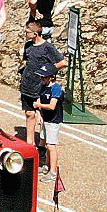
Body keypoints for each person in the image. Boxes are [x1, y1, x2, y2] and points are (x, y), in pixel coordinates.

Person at [18, 16, 63, 158]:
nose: (26, 34)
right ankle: (29, 144)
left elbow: (63, 62)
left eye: (27, 32)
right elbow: (26, 61)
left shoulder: (47, 48)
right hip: (27, 84)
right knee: (29, 113)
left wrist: (48, 72)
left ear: (35, 33)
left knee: (42, 117)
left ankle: (42, 145)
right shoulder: (28, 46)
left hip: (40, 86)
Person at [34, 70, 65, 177]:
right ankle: (47, 166)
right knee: (45, 143)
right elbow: (38, 100)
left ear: (51, 77)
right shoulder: (43, 87)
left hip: (53, 121)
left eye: (44, 77)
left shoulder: (56, 89)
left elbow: (52, 106)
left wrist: (39, 105)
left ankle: (52, 172)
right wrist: (39, 114)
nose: (42, 79)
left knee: (51, 146)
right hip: (45, 120)